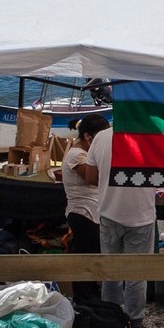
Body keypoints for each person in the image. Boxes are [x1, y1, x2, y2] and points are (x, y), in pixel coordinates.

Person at [88, 125, 157, 327]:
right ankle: (134, 325)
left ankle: (110, 323)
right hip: (140, 215)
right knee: (136, 275)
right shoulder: (148, 137)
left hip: (109, 212)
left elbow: (91, 177)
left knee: (111, 273)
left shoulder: (100, 137)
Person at [62, 115, 108, 300]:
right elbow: (94, 177)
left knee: (92, 253)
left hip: (92, 211)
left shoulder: (86, 153)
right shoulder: (76, 155)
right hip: (83, 212)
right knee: (86, 256)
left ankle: (91, 296)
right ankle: (85, 299)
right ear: (88, 136)